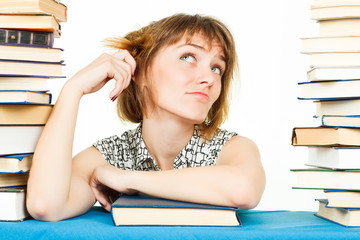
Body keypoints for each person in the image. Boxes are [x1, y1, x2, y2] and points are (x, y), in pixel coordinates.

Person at [26, 13, 266, 222]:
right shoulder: (109, 155)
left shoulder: (232, 148)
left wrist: (127, 179)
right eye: (188, 57)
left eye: (217, 68)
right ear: (138, 71)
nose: (210, 78)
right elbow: (45, 206)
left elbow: (245, 190)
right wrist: (73, 90)